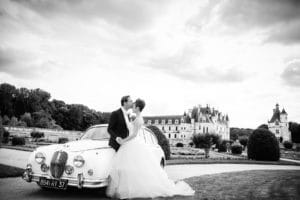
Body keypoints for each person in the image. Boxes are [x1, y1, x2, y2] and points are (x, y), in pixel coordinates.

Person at [106, 98, 195, 199]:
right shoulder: (136, 117)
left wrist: (124, 140)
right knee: (132, 167)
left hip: (132, 142)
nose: (132, 107)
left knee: (132, 166)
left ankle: (131, 188)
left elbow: (134, 134)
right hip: (133, 143)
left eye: (134, 105)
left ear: (138, 107)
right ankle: (128, 187)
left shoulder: (137, 119)